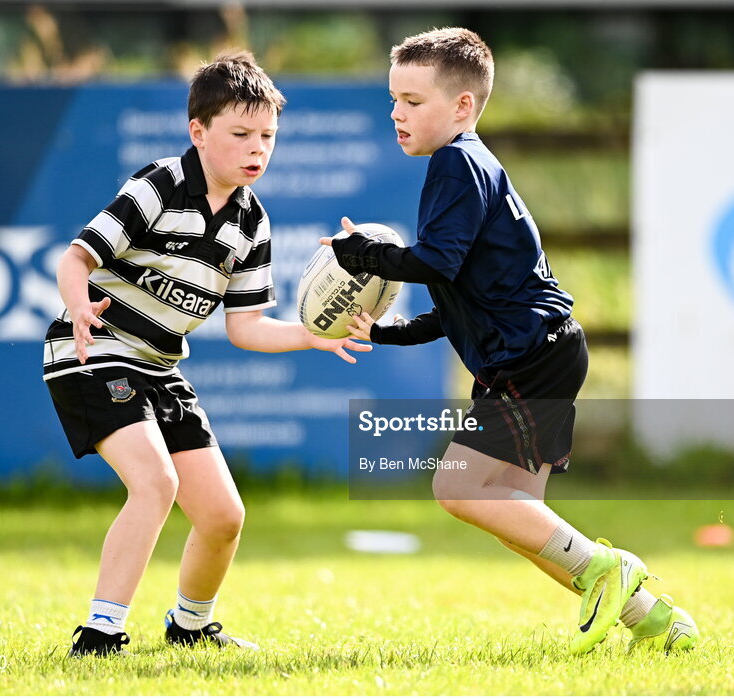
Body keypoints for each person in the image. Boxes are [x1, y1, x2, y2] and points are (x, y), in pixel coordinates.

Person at [324, 27, 698, 655]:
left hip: (532, 356)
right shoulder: (465, 164)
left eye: (413, 101)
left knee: (457, 486)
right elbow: (460, 296)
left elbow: (436, 262)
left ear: (462, 106)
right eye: (394, 99)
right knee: (521, 516)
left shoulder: (456, 162)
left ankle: (611, 569)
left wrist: (360, 253)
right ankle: (657, 621)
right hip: (541, 352)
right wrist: (388, 332)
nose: (397, 112)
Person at [44, 49, 371, 657]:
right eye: (241, 133)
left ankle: (190, 627)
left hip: (159, 370)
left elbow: (246, 327)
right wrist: (80, 304)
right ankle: (100, 630)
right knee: (155, 484)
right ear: (198, 131)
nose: (258, 148)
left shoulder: (252, 223)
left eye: (268, 136)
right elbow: (77, 258)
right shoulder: (160, 184)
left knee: (223, 516)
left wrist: (312, 336)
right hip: (95, 349)